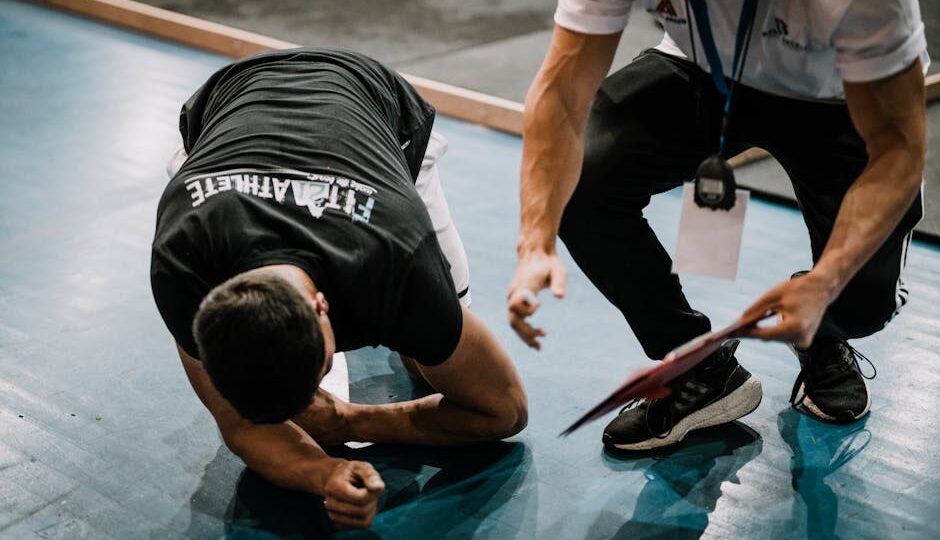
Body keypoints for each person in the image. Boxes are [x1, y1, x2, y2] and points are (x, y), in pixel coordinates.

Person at [508, 0, 926, 450]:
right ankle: (700, 370)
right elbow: (561, 92)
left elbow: (898, 151)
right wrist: (535, 241)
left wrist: (825, 283)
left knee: (861, 302)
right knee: (581, 183)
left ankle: (823, 332)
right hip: (704, 71)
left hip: (836, 94)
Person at [151, 47, 527, 529]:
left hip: (366, 90)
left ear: (323, 306)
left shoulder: (397, 263)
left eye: (321, 370)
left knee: (424, 359)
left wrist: (351, 420)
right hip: (228, 99)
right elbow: (240, 423)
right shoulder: (182, 264)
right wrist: (324, 471)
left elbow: (506, 410)